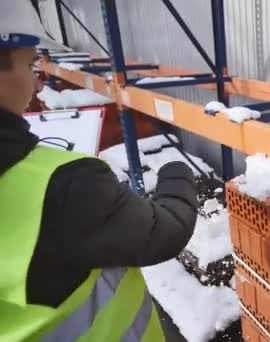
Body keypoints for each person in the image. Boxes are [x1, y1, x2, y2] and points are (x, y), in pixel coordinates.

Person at [0, 2, 198, 341]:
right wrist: (178, 174)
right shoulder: (62, 184)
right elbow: (164, 232)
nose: (35, 84)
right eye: (30, 64)